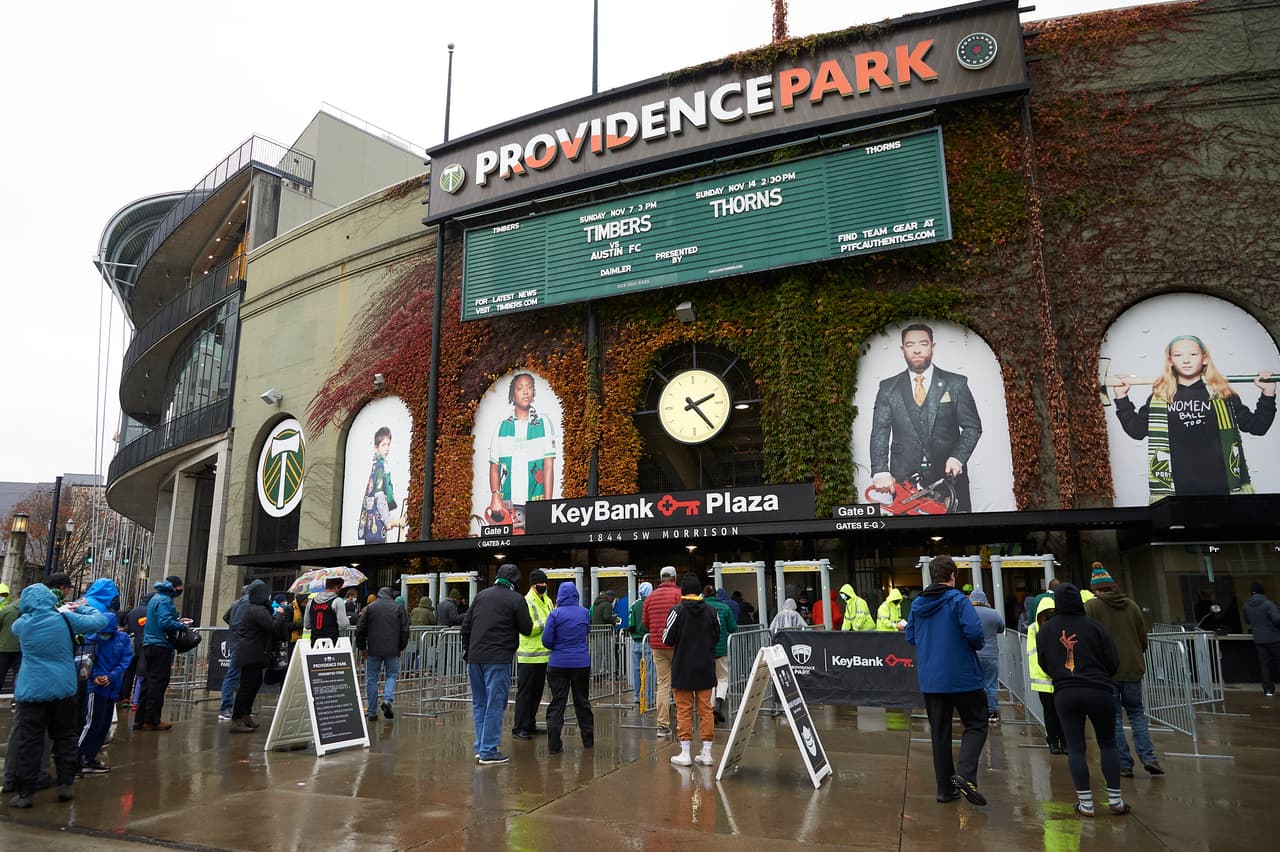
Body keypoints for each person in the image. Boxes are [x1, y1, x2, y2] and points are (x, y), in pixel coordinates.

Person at [1114, 335, 1275, 501]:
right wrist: (1122, 398)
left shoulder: (1223, 395)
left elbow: (1258, 427)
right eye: (1178, 355)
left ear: (1204, 359)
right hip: (1176, 492)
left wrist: (1268, 394)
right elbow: (1137, 430)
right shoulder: (1160, 398)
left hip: (1223, 490)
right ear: (1170, 361)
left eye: (1192, 354)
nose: (1185, 360)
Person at [1037, 583, 1132, 818]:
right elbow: (1112, 660)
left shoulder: (1047, 631)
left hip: (1065, 692)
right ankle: (1115, 799)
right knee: (1107, 743)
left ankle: (1086, 803)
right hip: (1099, 689)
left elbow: (1043, 662)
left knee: (1076, 747)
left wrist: (1061, 675)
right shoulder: (1095, 627)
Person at [8, 583, 107, 808]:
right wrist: (79, 607)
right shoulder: (65, 620)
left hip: (31, 690)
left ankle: (26, 793)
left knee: (30, 741)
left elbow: (17, 623)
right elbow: (100, 621)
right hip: (63, 687)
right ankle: (65, 785)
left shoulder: (21, 625)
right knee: (65, 737)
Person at [870, 323, 983, 512]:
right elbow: (880, 431)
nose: (916, 350)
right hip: (904, 482)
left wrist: (958, 457)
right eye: (910, 345)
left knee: (958, 537)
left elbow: (972, 427)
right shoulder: (888, 388)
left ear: (933, 347)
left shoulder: (956, 383)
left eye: (923, 344)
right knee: (908, 539)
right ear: (902, 349)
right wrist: (880, 470)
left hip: (949, 479)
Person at [905, 555, 988, 806]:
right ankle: (964, 775)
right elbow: (975, 633)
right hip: (963, 676)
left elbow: (910, 636)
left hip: (932, 680)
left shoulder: (918, 604)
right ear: (953, 575)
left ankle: (945, 790)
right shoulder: (959, 602)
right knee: (976, 723)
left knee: (939, 733)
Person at [1082, 564, 1164, 776]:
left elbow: (1088, 638)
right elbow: (1142, 638)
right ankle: (1149, 757)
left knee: (1114, 718)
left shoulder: (1092, 607)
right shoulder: (1132, 606)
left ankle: (1124, 764)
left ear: (1096, 589)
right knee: (1137, 714)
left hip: (1106, 672)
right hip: (1133, 668)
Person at [461, 564, 533, 766]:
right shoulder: (516, 599)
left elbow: (465, 627)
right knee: (495, 703)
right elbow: (526, 628)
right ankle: (488, 751)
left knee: (480, 704)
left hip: (475, 657)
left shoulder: (481, 596)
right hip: (498, 657)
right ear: (515, 582)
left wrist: (468, 651)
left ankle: (480, 746)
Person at [663, 573, 722, 767]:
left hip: (683, 668)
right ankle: (706, 752)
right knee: (706, 709)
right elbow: (717, 636)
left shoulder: (677, 611)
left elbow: (667, 639)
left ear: (682, 591)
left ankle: (685, 752)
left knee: (684, 709)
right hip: (706, 666)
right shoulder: (712, 611)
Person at [487, 373, 557, 532]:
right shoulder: (502, 427)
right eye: (520, 388)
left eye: (529, 388)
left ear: (533, 393)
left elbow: (548, 466)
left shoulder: (544, 423)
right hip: (507, 504)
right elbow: (494, 467)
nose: (525, 392)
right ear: (513, 394)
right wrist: (495, 495)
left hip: (535, 502)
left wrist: (547, 504)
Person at [540, 581, 593, 754]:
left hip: (558, 664)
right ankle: (588, 740)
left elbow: (546, 641)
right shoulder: (585, 612)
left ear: (560, 596)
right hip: (581, 663)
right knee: (582, 702)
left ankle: (554, 745)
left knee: (558, 703)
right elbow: (586, 632)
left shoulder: (555, 614)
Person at [229, 580, 289, 734]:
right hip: (252, 653)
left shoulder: (258, 608)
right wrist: (280, 616)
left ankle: (245, 714)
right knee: (247, 686)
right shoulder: (257, 610)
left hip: (256, 652)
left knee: (253, 684)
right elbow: (272, 627)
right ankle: (237, 719)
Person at [76, 611, 132, 774]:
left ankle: (90, 757)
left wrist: (111, 676)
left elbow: (125, 660)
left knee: (104, 724)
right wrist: (93, 677)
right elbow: (85, 663)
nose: (104, 635)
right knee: (92, 723)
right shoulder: (91, 640)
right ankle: (77, 758)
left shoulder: (122, 639)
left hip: (112, 687)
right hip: (96, 688)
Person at [136, 576, 187, 732]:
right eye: (180, 587)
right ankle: (152, 720)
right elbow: (165, 622)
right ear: (174, 587)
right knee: (158, 683)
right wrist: (181, 625)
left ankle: (140, 719)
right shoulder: (165, 600)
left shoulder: (156, 598)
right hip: (160, 646)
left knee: (147, 682)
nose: (180, 590)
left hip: (149, 645)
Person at [356, 587, 410, 722]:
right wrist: (401, 647)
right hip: (392, 649)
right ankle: (387, 699)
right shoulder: (398, 608)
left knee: (372, 678)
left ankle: (372, 711)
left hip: (373, 648)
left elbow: (360, 629)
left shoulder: (370, 608)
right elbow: (405, 630)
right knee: (391, 675)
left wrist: (362, 647)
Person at [643, 566, 683, 737]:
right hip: (677, 644)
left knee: (663, 684)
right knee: (681, 683)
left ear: (660, 579)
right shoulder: (678, 594)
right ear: (674, 578)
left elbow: (645, 623)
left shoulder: (650, 598)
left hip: (657, 645)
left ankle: (663, 725)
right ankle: (683, 722)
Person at [513, 570, 553, 739]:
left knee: (536, 693)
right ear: (533, 585)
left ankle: (530, 724)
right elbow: (528, 629)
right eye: (540, 585)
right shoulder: (526, 601)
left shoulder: (548, 601)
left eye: (545, 584)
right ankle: (519, 728)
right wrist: (547, 623)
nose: (543, 587)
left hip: (544, 655)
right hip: (529, 655)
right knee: (525, 693)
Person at [1027, 595, 1065, 754]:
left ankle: (1060, 740)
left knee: (1056, 712)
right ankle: (1055, 740)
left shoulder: (1040, 627)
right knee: (1053, 712)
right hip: (1046, 677)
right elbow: (1034, 653)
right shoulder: (1035, 629)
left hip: (1050, 677)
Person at [357, 426, 403, 543]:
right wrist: (389, 521)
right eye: (383, 445)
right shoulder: (379, 467)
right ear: (376, 448)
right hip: (375, 525)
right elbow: (379, 496)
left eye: (388, 444)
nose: (387, 448)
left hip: (374, 524)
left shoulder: (379, 465)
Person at [702, 585, 738, 723]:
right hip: (721, 649)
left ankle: (710, 708)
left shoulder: (701, 607)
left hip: (705, 649)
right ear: (715, 594)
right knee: (723, 678)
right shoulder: (724, 608)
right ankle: (718, 703)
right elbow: (733, 627)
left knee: (710, 680)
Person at [969, 590, 1005, 723]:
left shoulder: (968, 612)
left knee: (973, 684)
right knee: (990, 684)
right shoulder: (994, 614)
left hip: (973, 654)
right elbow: (1001, 628)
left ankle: (974, 711)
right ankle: (992, 712)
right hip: (991, 655)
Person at [217, 583, 251, 722]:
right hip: (240, 644)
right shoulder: (245, 604)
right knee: (234, 675)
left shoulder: (235, 604)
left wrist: (232, 628)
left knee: (238, 675)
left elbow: (226, 617)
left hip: (235, 642)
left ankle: (236, 708)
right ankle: (226, 708)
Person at [1244, 582, 1280, 697]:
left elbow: (1247, 621)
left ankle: (1268, 690)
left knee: (1264, 665)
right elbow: (1277, 619)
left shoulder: (1246, 605)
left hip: (1259, 639)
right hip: (1274, 638)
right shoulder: (1268, 604)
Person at [628, 582, 655, 708]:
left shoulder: (634, 605)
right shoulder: (650, 603)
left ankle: (637, 696)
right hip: (648, 641)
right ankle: (649, 698)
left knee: (637, 670)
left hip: (636, 642)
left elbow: (631, 624)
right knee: (649, 671)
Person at [304, 577, 351, 644]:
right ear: (336, 587)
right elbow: (344, 625)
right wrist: (347, 619)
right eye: (340, 588)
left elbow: (307, 625)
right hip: (331, 643)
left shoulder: (311, 602)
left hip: (315, 643)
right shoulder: (338, 601)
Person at [0, 585, 20, 697]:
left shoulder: (6, 610)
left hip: (3, 648)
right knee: (18, 676)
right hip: (20, 649)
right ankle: (16, 700)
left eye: (4, 595)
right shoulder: (27, 612)